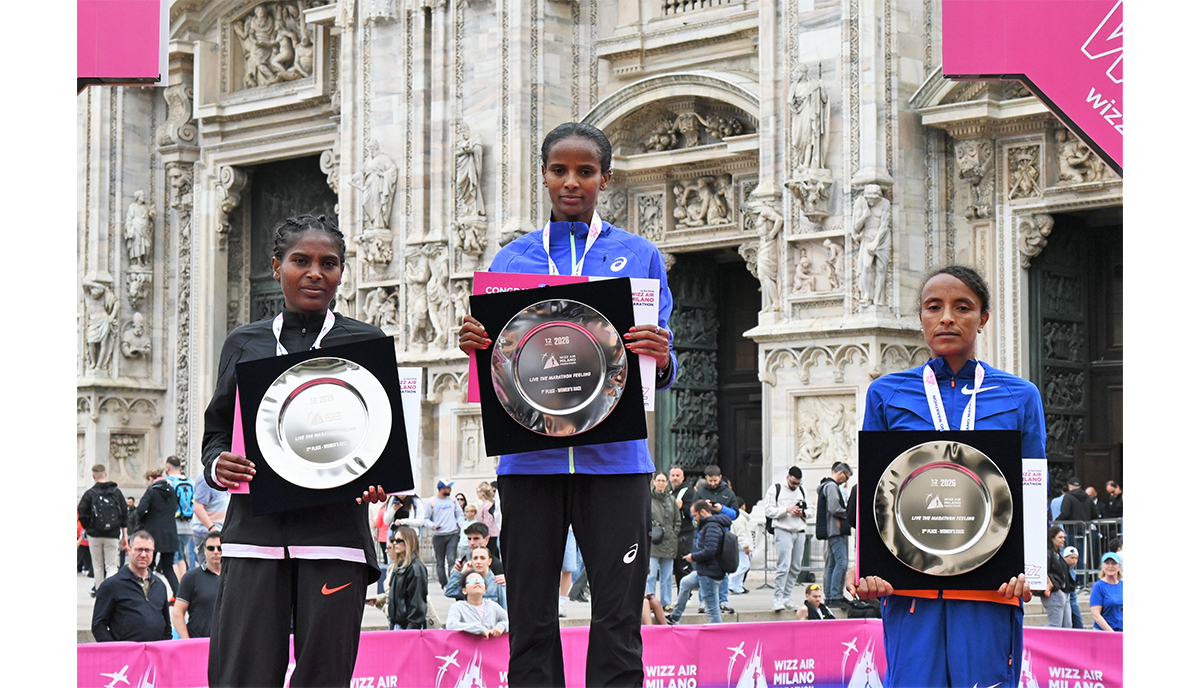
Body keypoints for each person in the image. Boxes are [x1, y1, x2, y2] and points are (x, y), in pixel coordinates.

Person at [457, 122, 676, 687]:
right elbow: (503, 367)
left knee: (619, 617)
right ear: (545, 176)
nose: (571, 182)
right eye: (560, 170)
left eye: (585, 171)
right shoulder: (512, 259)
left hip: (618, 463)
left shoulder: (639, 255)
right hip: (530, 463)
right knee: (529, 616)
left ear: (606, 177)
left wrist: (664, 356)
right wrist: (478, 348)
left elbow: (661, 367)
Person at [200, 214, 389, 687]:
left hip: (335, 538)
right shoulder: (245, 343)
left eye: (329, 263)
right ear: (276, 265)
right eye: (300, 261)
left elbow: (382, 439)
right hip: (254, 535)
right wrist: (216, 464)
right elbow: (217, 432)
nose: (315, 273)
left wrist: (379, 481)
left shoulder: (365, 342)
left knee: (324, 676)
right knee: (240, 674)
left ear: (342, 272)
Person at [854, 265, 1043, 688]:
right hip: (911, 591)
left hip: (990, 591)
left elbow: (1031, 484)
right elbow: (875, 490)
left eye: (963, 308)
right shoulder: (886, 393)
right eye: (933, 307)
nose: (946, 318)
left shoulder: (1019, 395)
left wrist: (1030, 570)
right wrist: (867, 566)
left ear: (984, 318)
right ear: (920, 317)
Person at [91, 531, 171, 642]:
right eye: (139, 549)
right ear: (129, 550)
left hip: (155, 654)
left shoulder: (160, 586)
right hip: (124, 655)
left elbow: (166, 625)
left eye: (147, 550)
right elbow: (98, 626)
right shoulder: (112, 585)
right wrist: (115, 650)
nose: (143, 555)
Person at [667, 499, 730, 625]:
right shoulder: (710, 525)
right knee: (685, 583)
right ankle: (675, 617)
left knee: (712, 610)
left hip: (709, 573)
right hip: (705, 570)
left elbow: (710, 550)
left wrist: (693, 557)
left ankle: (721, 636)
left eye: (695, 515)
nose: (694, 519)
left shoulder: (712, 527)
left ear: (702, 512)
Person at [764, 465, 809, 611]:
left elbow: (811, 510)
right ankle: (777, 598)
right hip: (783, 529)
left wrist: (802, 513)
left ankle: (786, 597)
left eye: (798, 483)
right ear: (788, 477)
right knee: (783, 565)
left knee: (796, 567)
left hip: (799, 530)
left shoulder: (802, 490)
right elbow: (768, 510)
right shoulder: (775, 489)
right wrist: (787, 510)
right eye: (793, 483)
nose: (795, 486)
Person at [368, 526, 429, 630]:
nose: (394, 543)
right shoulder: (399, 566)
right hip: (397, 623)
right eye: (394, 540)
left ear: (408, 542)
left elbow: (417, 603)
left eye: (399, 540)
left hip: (408, 626)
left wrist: (411, 629)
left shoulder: (415, 568)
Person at [78, 463, 128, 589]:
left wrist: (88, 529)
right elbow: (124, 514)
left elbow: (82, 513)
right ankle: (112, 591)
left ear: (93, 476)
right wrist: (124, 536)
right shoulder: (116, 492)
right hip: (112, 533)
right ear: (105, 474)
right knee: (111, 565)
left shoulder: (90, 493)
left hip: (94, 534)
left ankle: (101, 593)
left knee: (98, 566)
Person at [135, 468, 179, 595]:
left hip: (152, 534)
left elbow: (140, 510)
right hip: (170, 533)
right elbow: (175, 508)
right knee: (168, 568)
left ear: (151, 479)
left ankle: (147, 593)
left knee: (148, 566)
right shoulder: (172, 491)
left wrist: (145, 519)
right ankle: (178, 595)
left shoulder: (152, 491)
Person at [173, 531, 223, 639]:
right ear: (204, 550)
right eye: (211, 548)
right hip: (199, 642)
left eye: (220, 548)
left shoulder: (234, 578)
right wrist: (187, 642)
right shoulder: (191, 577)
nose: (215, 552)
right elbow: (177, 613)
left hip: (228, 645)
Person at [818, 462, 853, 608]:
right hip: (836, 529)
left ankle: (831, 595)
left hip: (831, 530)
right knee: (842, 563)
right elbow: (834, 508)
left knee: (832, 564)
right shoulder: (831, 486)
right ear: (840, 473)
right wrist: (850, 513)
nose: (846, 481)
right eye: (846, 477)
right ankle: (836, 596)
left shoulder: (825, 486)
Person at [423, 479, 465, 589]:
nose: (450, 490)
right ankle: (444, 583)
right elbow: (426, 519)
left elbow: (459, 514)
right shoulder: (432, 501)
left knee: (452, 559)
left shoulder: (453, 500)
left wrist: (460, 523)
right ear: (442, 489)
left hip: (452, 533)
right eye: (448, 488)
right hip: (438, 535)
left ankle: (453, 582)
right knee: (440, 561)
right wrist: (433, 525)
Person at [647, 472, 680, 608]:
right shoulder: (648, 498)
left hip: (669, 542)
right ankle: (649, 600)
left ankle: (666, 602)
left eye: (663, 481)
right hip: (653, 541)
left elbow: (677, 520)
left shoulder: (671, 499)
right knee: (651, 575)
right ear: (654, 482)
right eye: (658, 480)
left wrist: (673, 533)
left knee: (667, 577)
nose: (661, 483)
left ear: (667, 483)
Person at [446, 572, 509, 638]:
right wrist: (479, 629)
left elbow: (507, 619)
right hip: (467, 645)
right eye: (472, 580)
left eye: (481, 580)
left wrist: (501, 626)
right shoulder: (458, 607)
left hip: (490, 645)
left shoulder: (493, 606)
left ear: (485, 590)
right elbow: (452, 625)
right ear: (464, 590)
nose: (477, 582)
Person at [164, 455, 197, 576]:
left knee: (174, 557)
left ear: (167, 467)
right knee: (182, 555)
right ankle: (182, 584)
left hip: (174, 525)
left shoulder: (168, 482)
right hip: (188, 526)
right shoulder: (190, 481)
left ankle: (177, 588)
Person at [668, 466, 697, 595]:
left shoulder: (689, 492)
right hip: (672, 534)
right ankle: (681, 595)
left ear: (683, 477)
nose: (675, 478)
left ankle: (687, 595)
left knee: (684, 565)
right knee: (675, 567)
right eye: (673, 475)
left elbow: (692, 512)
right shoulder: (669, 493)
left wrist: (682, 506)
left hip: (685, 534)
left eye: (677, 475)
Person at [1043, 526, 1071, 628]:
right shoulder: (1047, 553)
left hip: (1062, 592)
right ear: (1052, 538)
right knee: (1055, 625)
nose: (1063, 540)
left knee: (1067, 625)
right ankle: (1034, 637)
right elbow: (1043, 570)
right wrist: (1053, 585)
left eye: (1064, 537)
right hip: (1054, 593)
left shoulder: (1057, 554)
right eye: (1060, 537)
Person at [1089, 552, 1123, 632]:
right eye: (1107, 563)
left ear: (1119, 566)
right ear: (1103, 566)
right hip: (1104, 631)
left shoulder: (1123, 585)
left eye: (1114, 563)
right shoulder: (1098, 586)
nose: (1110, 566)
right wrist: (1111, 633)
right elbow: (1095, 614)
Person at [728, 497, 753, 594]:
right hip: (740, 546)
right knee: (744, 565)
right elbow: (741, 533)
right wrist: (746, 546)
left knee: (741, 565)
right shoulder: (740, 518)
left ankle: (737, 586)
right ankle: (730, 582)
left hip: (737, 545)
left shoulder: (736, 517)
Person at [1061, 545, 1084, 629]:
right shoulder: (1062, 570)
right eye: (1072, 558)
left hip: (1072, 598)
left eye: (1076, 558)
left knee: (1077, 621)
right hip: (1065, 598)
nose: (1074, 561)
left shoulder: (1073, 571)